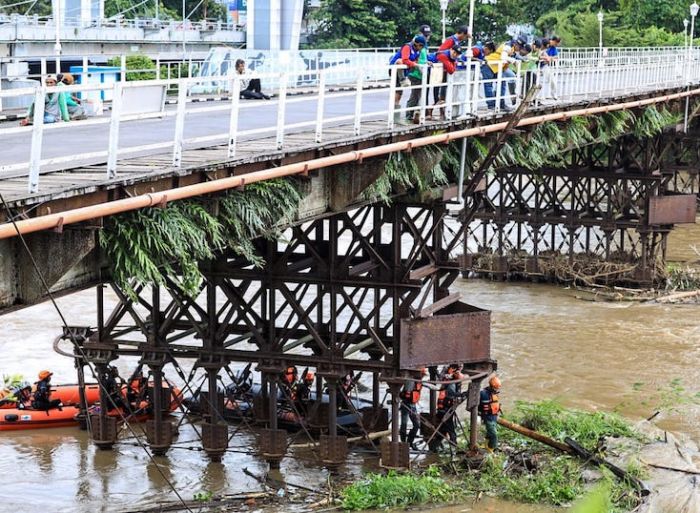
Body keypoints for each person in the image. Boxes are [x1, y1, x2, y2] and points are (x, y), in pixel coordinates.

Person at [388, 35, 427, 122]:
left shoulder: (417, 51)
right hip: (395, 70)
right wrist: (415, 65)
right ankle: (394, 118)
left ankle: (395, 118)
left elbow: (415, 61)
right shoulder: (407, 47)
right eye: (422, 46)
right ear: (418, 44)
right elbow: (405, 60)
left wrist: (425, 62)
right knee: (398, 93)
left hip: (405, 71)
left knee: (399, 93)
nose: (422, 48)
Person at [431, 363, 463, 451]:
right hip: (446, 410)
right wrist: (462, 394)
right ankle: (455, 448)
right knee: (451, 430)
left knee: (442, 431)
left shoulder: (448, 381)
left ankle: (434, 448)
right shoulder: (452, 384)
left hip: (442, 409)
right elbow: (451, 394)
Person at [427, 45, 464, 119]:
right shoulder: (442, 55)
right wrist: (454, 62)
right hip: (428, 73)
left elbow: (451, 68)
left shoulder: (450, 56)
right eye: (454, 52)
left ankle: (437, 113)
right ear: (451, 49)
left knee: (441, 96)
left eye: (457, 54)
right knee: (433, 95)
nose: (455, 55)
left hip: (437, 74)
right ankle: (429, 113)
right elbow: (451, 70)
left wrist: (453, 62)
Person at [399, 367, 426, 449]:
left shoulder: (419, 382)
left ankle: (409, 442)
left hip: (413, 405)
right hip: (406, 404)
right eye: (422, 374)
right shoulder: (410, 381)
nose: (423, 376)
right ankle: (404, 443)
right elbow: (406, 394)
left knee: (416, 425)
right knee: (404, 424)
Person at [480, 375, 501, 452]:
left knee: (490, 432)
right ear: (492, 386)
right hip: (487, 417)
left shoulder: (494, 394)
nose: (497, 389)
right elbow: (478, 406)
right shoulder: (483, 394)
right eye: (496, 388)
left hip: (494, 417)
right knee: (494, 434)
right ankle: (491, 448)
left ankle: (486, 444)